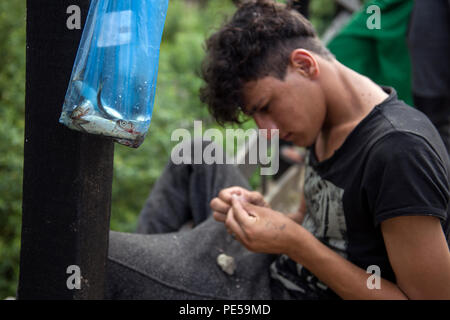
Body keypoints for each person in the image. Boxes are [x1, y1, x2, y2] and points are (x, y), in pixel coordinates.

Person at [105, 0, 450, 299]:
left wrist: (295, 243)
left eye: (266, 106)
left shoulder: (399, 152)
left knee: (99, 254)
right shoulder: (327, 120)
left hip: (271, 293)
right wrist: (264, 214)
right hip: (271, 263)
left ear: (304, 65)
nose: (267, 131)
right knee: (196, 151)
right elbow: (315, 221)